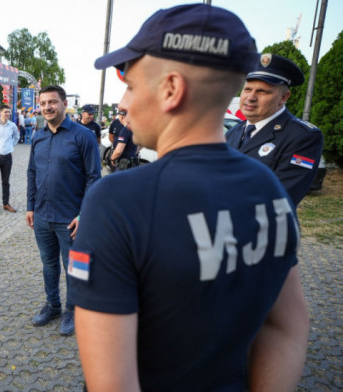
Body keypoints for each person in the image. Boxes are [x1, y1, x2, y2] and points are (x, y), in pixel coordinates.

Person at [72, 4, 309, 391]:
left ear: (171, 89)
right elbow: (286, 326)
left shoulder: (116, 201)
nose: (123, 104)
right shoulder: (270, 189)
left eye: (130, 85)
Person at [26, 85, 101, 336]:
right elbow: (32, 173)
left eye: (52, 102)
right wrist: (30, 207)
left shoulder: (83, 136)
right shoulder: (38, 136)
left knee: (74, 267)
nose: (47, 107)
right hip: (42, 216)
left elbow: (94, 178)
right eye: (43, 102)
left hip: (71, 219)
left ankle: (73, 309)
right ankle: (53, 305)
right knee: (49, 264)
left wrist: (84, 215)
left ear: (64, 104)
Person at [225, 54, 324, 206]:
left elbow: (280, 197)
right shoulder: (233, 132)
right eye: (247, 89)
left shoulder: (302, 137)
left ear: (284, 97)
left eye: (262, 92)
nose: (250, 97)